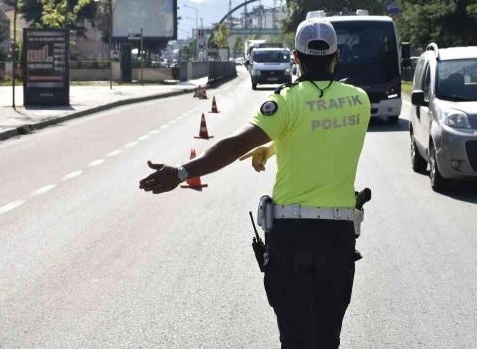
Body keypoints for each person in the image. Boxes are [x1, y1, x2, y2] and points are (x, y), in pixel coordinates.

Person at [139, 18, 371, 348]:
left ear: (295, 58)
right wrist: (275, 146)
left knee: (296, 338)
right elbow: (322, 126)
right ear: (337, 57)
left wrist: (181, 172)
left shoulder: (286, 103)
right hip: (338, 237)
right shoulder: (359, 101)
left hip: (292, 237)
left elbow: (234, 146)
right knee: (327, 337)